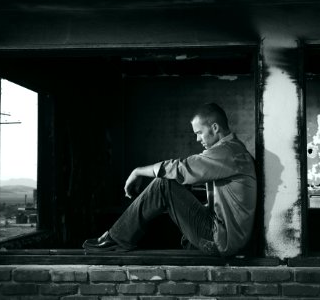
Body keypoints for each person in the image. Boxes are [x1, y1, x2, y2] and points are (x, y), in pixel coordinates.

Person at [83, 103, 257, 257]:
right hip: (227, 238)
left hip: (223, 242)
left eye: (199, 133)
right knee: (179, 185)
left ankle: (116, 239)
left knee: (164, 183)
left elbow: (181, 168)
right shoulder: (233, 151)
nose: (197, 139)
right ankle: (124, 238)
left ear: (215, 128)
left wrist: (137, 171)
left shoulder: (228, 153)